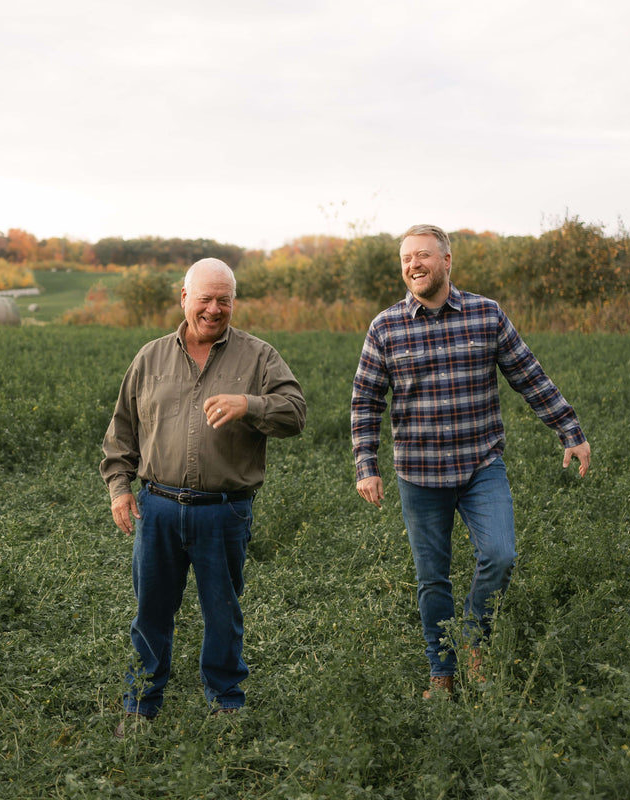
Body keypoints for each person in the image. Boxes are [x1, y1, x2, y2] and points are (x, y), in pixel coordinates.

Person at [350, 224, 590, 696]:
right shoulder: (386, 326)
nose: (413, 265)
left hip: (481, 465)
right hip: (419, 475)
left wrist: (569, 429)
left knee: (501, 555)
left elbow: (528, 374)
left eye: (422, 255)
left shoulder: (485, 314)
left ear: (446, 261)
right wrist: (366, 464)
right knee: (432, 579)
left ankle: (474, 641)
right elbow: (366, 401)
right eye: (406, 259)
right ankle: (442, 673)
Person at [100, 257, 306, 731]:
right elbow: (121, 434)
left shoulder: (259, 357)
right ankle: (142, 704)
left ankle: (226, 702)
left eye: (224, 300)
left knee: (223, 612)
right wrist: (119, 490)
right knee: (151, 610)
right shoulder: (150, 358)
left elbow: (295, 414)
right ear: (184, 299)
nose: (214, 309)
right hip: (158, 508)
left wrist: (250, 404)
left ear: (233, 302)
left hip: (224, 510)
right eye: (205, 299)